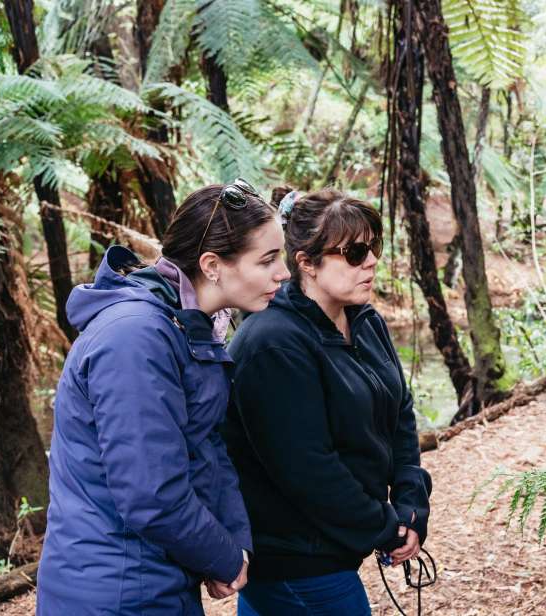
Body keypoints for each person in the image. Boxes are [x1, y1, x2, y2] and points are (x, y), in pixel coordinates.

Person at [38, 180, 290, 614]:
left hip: (156, 579)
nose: (283, 273)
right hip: (114, 591)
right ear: (212, 265)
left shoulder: (191, 325)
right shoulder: (135, 336)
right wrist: (222, 556)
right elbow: (150, 491)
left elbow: (207, 443)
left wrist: (233, 543)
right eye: (268, 260)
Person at [224, 188, 432, 615]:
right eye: (355, 253)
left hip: (330, 548)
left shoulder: (365, 321)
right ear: (307, 263)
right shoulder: (272, 343)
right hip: (293, 558)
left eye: (374, 247)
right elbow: (306, 467)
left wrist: (411, 502)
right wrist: (383, 526)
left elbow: (400, 415)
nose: (371, 261)